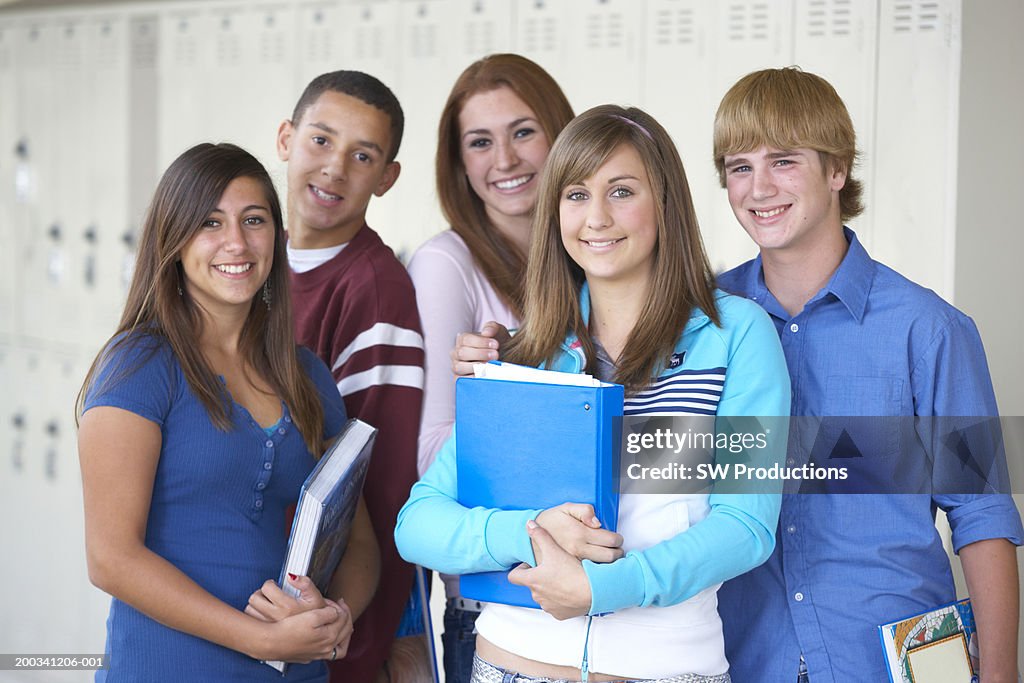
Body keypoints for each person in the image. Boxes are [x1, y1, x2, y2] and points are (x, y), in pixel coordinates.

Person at [396, 105, 790, 682]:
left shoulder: (737, 336)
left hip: (667, 670)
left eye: (622, 191)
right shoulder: (526, 352)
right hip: (509, 665)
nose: (597, 217)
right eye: (576, 195)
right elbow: (418, 523)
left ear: (665, 203)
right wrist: (529, 532)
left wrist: (605, 587)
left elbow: (746, 527)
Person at [710, 67, 1023, 682]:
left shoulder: (930, 330)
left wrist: (1002, 674)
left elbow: (982, 514)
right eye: (739, 166)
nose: (758, 187)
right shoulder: (701, 322)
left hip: (889, 661)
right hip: (740, 657)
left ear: (836, 170)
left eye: (784, 161)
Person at [76, 142, 378, 681]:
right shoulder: (140, 364)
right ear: (174, 241)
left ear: (277, 236)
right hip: (166, 668)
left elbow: (358, 542)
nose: (236, 242)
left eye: (253, 220)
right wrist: (260, 638)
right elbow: (111, 557)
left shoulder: (306, 376)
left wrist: (339, 614)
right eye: (210, 222)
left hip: (294, 671)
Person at [405, 52, 574, 683]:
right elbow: (427, 455)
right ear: (459, 162)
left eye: (523, 131)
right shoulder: (446, 265)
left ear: (562, 133)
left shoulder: (597, 252)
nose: (504, 160)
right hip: (494, 603)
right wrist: (506, 404)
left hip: (607, 596)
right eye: (480, 142)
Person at [276, 70, 425, 683]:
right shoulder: (253, 263)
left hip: (325, 627)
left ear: (386, 177)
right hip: (260, 610)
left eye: (361, 155)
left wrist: (354, 632)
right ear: (286, 139)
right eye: (320, 141)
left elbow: (376, 487)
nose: (335, 168)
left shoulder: (374, 288)